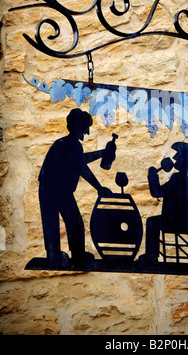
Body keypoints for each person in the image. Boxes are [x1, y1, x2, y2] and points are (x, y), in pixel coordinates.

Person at [38, 108, 113, 267]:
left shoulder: (66, 144)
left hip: (51, 188)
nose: (87, 132)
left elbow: (80, 162)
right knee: (73, 222)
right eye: (86, 128)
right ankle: (72, 255)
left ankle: (56, 255)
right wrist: (99, 187)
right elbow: (82, 167)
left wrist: (102, 153)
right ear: (78, 126)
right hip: (55, 189)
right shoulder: (71, 145)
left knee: (58, 222)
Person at [142, 142, 188, 263]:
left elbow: (157, 192)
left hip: (175, 222)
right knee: (154, 221)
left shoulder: (177, 179)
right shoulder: (187, 180)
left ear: (182, 161)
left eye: (177, 156)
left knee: (152, 222)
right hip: (181, 222)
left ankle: (151, 255)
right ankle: (152, 255)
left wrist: (152, 176)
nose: (174, 159)